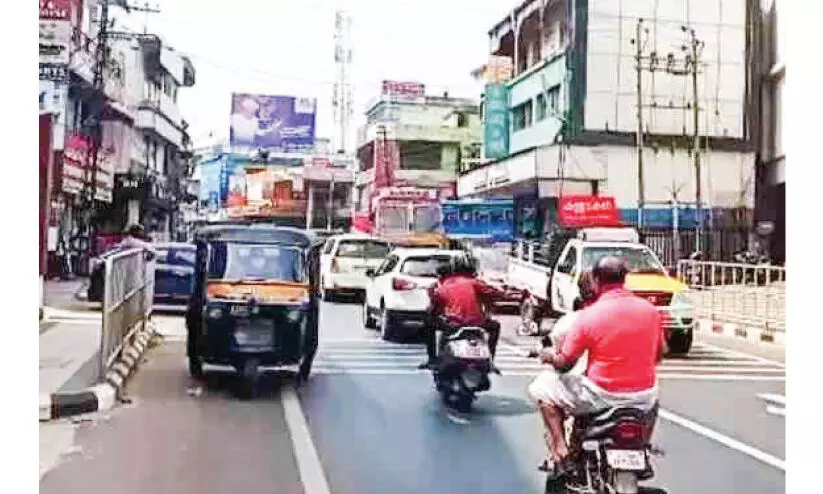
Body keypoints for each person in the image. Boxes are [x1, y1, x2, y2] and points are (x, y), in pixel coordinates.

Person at [527, 256, 666, 476]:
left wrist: (549, 357)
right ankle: (642, 448)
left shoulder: (588, 316)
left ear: (597, 280)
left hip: (600, 395)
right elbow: (659, 354)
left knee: (542, 389)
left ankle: (561, 449)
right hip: (643, 397)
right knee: (654, 398)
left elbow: (565, 363)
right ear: (625, 278)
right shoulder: (650, 311)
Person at [418, 253, 502, 370]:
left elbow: (435, 307)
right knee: (496, 326)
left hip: (454, 324)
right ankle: (491, 360)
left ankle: (432, 359)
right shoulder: (475, 282)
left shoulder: (443, 285)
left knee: (428, 324)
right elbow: (495, 293)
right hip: (477, 323)